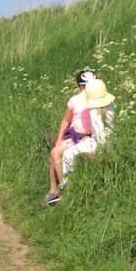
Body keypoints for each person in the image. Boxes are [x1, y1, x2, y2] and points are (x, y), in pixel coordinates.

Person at [43, 68, 99, 204]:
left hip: (87, 137)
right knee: (55, 152)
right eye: (85, 86)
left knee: (56, 154)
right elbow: (66, 120)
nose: (87, 89)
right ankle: (58, 187)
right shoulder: (75, 101)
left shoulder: (98, 100)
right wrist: (60, 138)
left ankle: (61, 189)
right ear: (79, 86)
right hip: (74, 136)